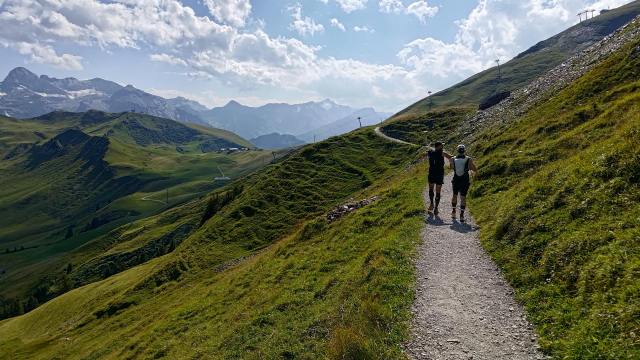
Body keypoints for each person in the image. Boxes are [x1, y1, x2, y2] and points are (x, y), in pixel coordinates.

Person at [424, 141, 453, 215]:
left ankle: (431, 204)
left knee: (431, 189)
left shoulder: (430, 152)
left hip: (432, 173)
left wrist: (428, 151)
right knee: (438, 191)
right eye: (441, 146)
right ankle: (436, 207)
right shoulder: (442, 153)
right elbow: (450, 157)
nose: (442, 147)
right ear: (437, 146)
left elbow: (423, 154)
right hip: (440, 173)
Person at [451, 144, 477, 222]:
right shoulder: (468, 159)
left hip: (456, 179)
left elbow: (451, 167)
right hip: (464, 180)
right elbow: (474, 169)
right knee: (463, 197)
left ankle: (453, 212)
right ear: (464, 151)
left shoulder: (452, 159)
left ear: (457, 151)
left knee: (454, 195)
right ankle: (461, 215)